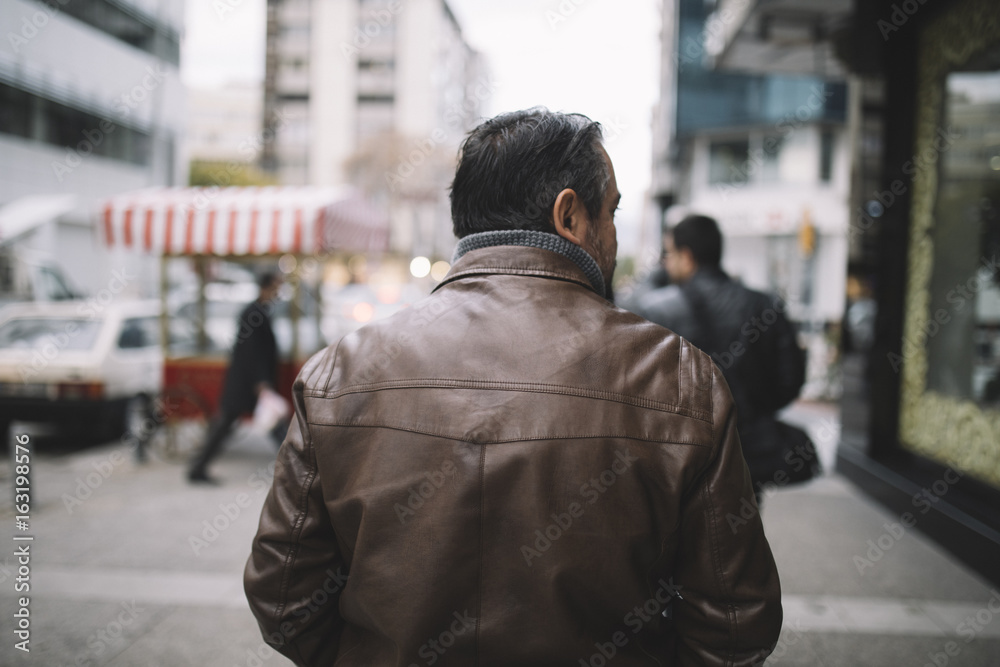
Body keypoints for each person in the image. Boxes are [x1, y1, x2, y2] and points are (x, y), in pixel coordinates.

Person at [244, 109, 782, 665]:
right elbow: (735, 625)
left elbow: (284, 599)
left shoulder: (342, 371)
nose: (617, 233)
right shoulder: (679, 378)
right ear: (570, 214)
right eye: (613, 211)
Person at [635, 215, 808, 503]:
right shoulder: (764, 305)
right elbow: (791, 380)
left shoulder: (659, 309)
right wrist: (750, 414)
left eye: (669, 254)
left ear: (686, 256)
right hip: (746, 455)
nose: (666, 262)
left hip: (681, 459)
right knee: (740, 537)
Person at [187, 271, 283, 484]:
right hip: (248, 383)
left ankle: (198, 467)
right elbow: (250, 351)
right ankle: (198, 467)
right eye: (276, 287)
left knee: (264, 424)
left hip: (249, 382)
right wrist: (261, 382)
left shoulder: (258, 311)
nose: (278, 292)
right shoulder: (253, 313)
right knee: (269, 424)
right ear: (266, 287)